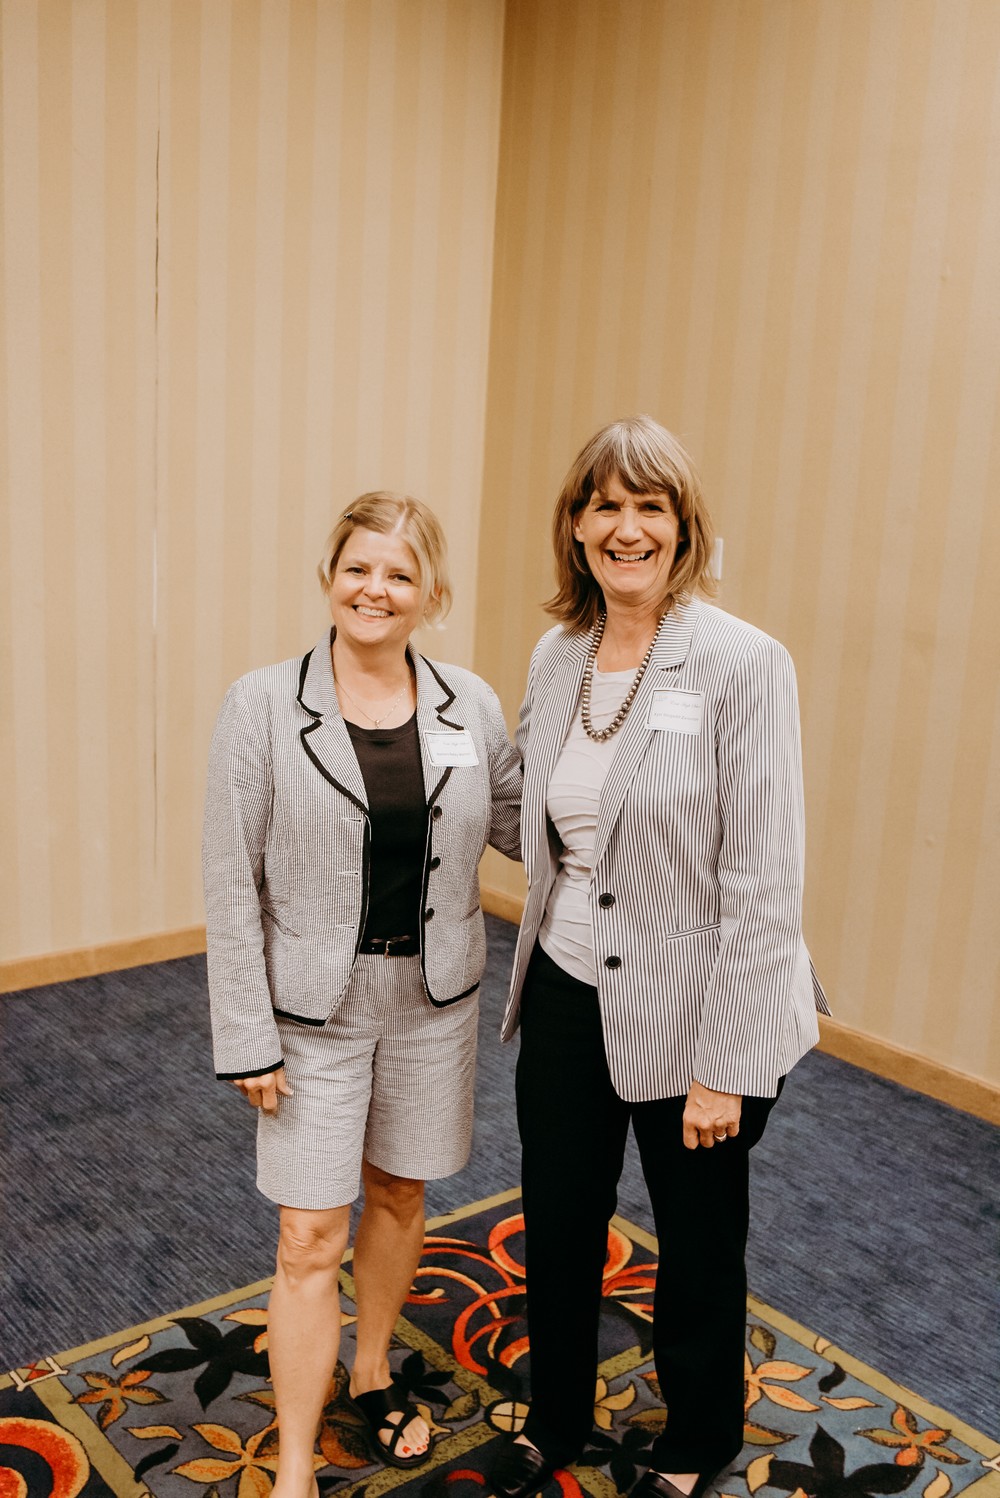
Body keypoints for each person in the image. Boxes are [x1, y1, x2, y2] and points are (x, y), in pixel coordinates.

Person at [489, 417, 828, 1498]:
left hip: (700, 1005)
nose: (626, 528)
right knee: (558, 1219)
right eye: (606, 506)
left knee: (696, 1236)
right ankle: (557, 1418)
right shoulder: (557, 654)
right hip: (566, 983)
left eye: (651, 506)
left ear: (683, 527)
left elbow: (763, 879)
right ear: (575, 526)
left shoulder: (741, 663)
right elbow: (530, 815)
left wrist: (725, 1065)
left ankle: (696, 1436)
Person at [202, 492, 521, 1498]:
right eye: (358, 568)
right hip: (312, 1017)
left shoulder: (470, 704)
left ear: (432, 592)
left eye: (399, 573)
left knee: (400, 1193)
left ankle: (373, 1368)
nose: (375, 589)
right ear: (329, 577)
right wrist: (246, 1035)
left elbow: (526, 826)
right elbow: (230, 879)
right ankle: (297, 1461)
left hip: (433, 1004)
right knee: (307, 1236)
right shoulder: (261, 704)